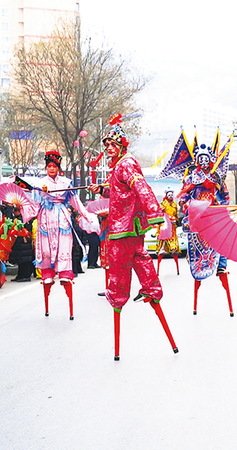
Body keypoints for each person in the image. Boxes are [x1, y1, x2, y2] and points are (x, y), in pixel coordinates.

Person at [88, 114, 178, 361]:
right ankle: (151, 289)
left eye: (113, 144)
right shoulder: (120, 165)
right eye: (106, 145)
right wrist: (102, 189)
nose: (109, 148)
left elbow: (141, 188)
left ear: (122, 145)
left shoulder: (125, 164)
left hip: (122, 229)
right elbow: (121, 192)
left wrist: (155, 213)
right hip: (131, 230)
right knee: (141, 257)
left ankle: (117, 298)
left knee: (118, 275)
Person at [27, 149, 98, 320]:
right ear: (46, 167)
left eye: (54, 166)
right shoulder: (39, 184)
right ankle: (47, 273)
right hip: (45, 218)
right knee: (46, 247)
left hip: (62, 218)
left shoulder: (66, 183)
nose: (51, 169)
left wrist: (87, 216)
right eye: (49, 166)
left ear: (58, 167)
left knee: (65, 245)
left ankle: (65, 273)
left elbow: (76, 202)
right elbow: (33, 204)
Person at [176, 142, 235, 315]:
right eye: (200, 158)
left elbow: (225, 196)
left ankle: (221, 265)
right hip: (197, 217)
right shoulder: (190, 178)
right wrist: (187, 204)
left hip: (213, 214)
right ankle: (197, 265)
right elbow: (183, 196)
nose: (203, 161)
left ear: (210, 159)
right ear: (196, 160)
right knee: (197, 246)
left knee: (223, 239)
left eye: (205, 158)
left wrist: (221, 204)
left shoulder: (217, 177)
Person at [156, 186, 181, 275]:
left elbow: (176, 215)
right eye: (169, 195)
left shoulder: (175, 205)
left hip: (172, 226)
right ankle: (162, 248)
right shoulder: (163, 204)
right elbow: (159, 213)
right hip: (165, 225)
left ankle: (173, 249)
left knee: (172, 238)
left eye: (172, 195)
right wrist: (162, 211)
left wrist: (175, 220)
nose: (171, 196)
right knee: (163, 237)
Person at [8, 207, 34, 282]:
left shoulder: (25, 218)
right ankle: (20, 275)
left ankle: (26, 276)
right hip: (19, 241)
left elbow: (27, 229)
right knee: (20, 260)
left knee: (25, 260)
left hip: (24, 241)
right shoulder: (17, 218)